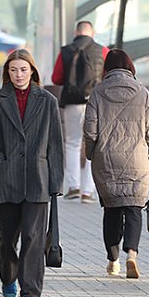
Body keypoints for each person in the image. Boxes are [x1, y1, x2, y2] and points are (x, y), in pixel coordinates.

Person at [0, 49, 64, 297]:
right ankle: (8, 276)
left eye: (23, 69)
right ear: (7, 73)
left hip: (37, 179)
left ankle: (31, 292)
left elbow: (56, 145)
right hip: (5, 179)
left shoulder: (47, 101)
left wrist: (56, 182)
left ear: (32, 71)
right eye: (14, 70)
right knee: (7, 237)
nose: (19, 75)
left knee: (34, 236)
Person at [83, 50, 149, 278]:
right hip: (138, 160)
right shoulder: (143, 93)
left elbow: (90, 130)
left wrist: (91, 154)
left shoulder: (97, 92)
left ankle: (113, 260)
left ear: (106, 68)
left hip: (106, 159)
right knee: (134, 208)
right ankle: (132, 255)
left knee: (112, 210)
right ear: (130, 67)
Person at [51, 21, 110, 204]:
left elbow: (56, 78)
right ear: (93, 32)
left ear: (76, 31)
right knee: (94, 143)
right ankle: (87, 191)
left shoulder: (66, 51)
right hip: (95, 103)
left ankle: (73, 187)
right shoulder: (103, 51)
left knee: (72, 143)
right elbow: (108, 75)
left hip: (72, 103)